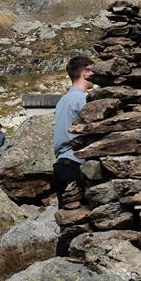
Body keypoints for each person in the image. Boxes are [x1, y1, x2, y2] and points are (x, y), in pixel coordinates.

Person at [53, 55, 95, 256]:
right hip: (76, 163)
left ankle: (60, 261)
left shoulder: (63, 100)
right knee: (81, 217)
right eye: (93, 71)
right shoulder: (82, 99)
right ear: (85, 72)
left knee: (67, 219)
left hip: (61, 163)